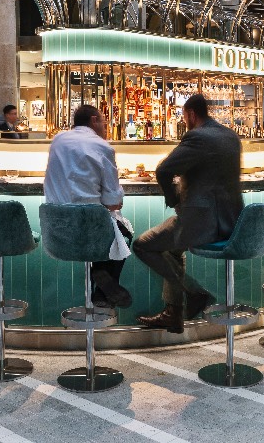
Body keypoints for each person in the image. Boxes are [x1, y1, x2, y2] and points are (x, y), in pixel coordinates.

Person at [134, 93, 242, 333]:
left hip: (204, 224)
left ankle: (193, 293)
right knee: (172, 250)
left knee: (142, 245)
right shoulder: (231, 136)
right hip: (233, 224)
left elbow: (164, 170)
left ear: (191, 115)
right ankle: (173, 313)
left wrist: (176, 202)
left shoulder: (197, 136)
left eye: (184, 117)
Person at [43, 104, 133, 308]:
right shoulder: (102, 147)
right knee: (123, 232)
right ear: (94, 120)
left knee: (102, 231)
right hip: (89, 229)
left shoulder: (57, 140)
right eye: (102, 121)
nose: (104, 126)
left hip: (56, 230)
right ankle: (101, 293)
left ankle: (99, 278)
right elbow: (113, 202)